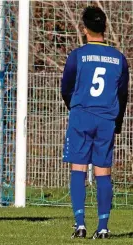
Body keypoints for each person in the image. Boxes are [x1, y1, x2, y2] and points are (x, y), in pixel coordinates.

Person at [61, 6, 129, 239]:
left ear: (84, 29)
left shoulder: (77, 56)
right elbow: (123, 94)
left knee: (78, 167)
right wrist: (117, 122)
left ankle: (80, 225)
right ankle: (103, 227)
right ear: (105, 28)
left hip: (82, 115)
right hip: (106, 119)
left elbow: (66, 87)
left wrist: (76, 107)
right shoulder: (119, 59)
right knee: (103, 170)